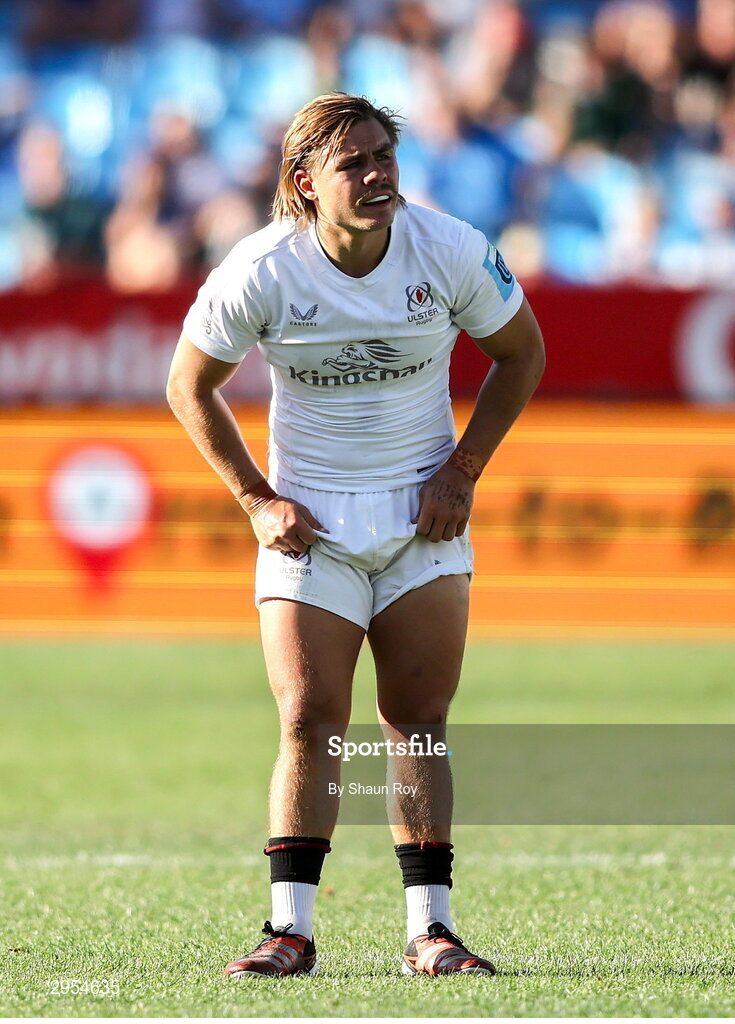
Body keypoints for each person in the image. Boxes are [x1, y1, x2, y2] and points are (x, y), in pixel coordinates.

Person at [167, 92, 544, 978]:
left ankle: (431, 932)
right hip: (310, 526)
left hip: (423, 520)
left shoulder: (447, 248)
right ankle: (288, 932)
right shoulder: (261, 269)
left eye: (384, 156)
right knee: (309, 720)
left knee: (417, 723)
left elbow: (521, 352)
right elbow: (189, 385)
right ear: (304, 183)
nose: (378, 176)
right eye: (353, 164)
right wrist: (258, 500)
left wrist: (461, 472)